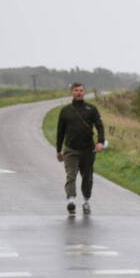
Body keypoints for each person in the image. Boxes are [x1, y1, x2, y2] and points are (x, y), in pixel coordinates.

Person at [55, 83, 105, 214]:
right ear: (72, 92)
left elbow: (100, 126)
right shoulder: (65, 111)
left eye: (81, 90)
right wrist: (58, 150)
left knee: (87, 177)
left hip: (88, 149)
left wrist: (100, 142)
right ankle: (71, 201)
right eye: (76, 90)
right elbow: (60, 131)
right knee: (71, 175)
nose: (79, 93)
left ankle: (86, 201)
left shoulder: (91, 109)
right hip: (71, 149)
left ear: (84, 92)